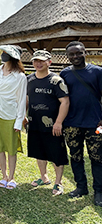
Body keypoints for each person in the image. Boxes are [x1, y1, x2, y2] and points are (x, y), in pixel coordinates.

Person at [60, 41, 102, 206]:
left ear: (85, 52)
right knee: (75, 157)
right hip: (71, 124)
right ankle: (81, 187)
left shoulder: (98, 72)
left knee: (97, 158)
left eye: (78, 53)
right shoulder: (64, 74)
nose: (75, 56)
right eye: (72, 54)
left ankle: (99, 191)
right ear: (67, 56)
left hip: (95, 123)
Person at [27, 50, 69, 196]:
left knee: (56, 153)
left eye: (42, 61)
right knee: (39, 151)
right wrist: (24, 116)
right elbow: (27, 99)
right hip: (34, 123)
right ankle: (43, 177)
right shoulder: (30, 79)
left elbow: (65, 102)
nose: (38, 63)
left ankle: (58, 183)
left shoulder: (56, 80)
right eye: (35, 61)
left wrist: (58, 122)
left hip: (52, 126)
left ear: (49, 62)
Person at [0, 45, 26, 190]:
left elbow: (21, 100)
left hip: (10, 112)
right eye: (2, 52)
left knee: (11, 145)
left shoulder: (20, 76)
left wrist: (19, 121)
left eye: (7, 53)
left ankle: (12, 177)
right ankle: (4, 175)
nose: (3, 55)